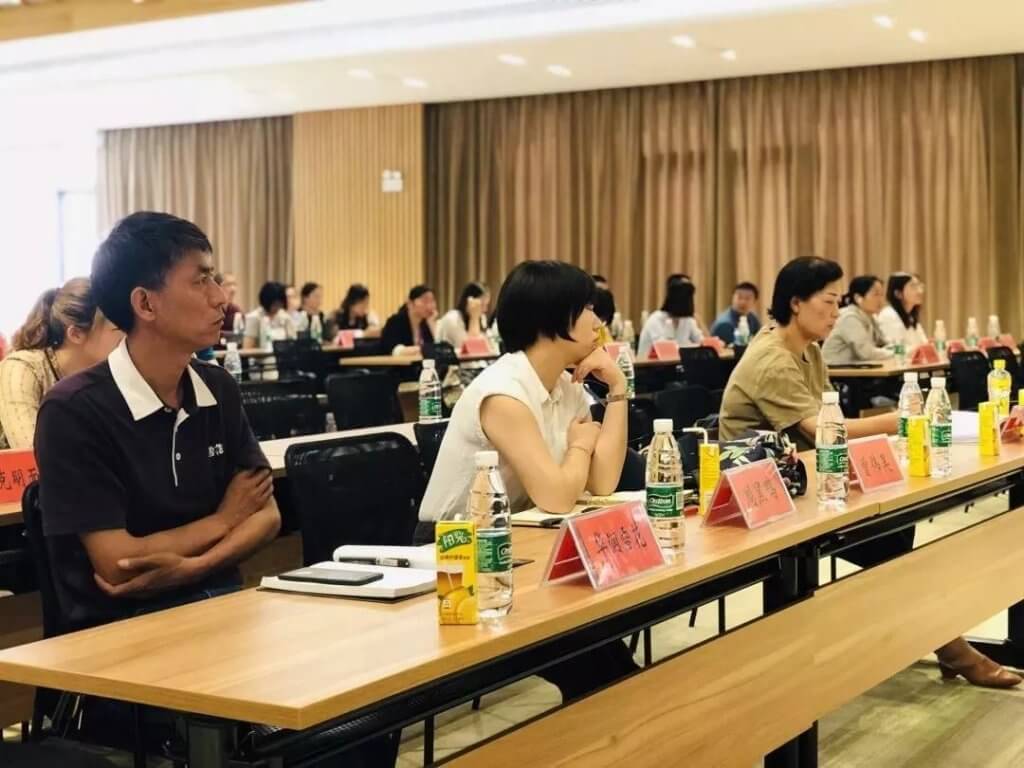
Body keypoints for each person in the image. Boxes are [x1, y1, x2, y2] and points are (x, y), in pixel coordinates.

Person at [719, 255, 1019, 688]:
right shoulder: (773, 359)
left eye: (839, 302)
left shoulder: (809, 351)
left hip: (807, 482)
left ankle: (936, 641)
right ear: (796, 303)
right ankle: (950, 647)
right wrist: (901, 420)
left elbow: (831, 427)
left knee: (895, 532)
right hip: (760, 498)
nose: (836, 313)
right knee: (888, 546)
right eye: (829, 301)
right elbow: (824, 430)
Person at [419, 260, 635, 701]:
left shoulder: (567, 386)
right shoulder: (503, 393)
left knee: (604, 650)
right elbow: (557, 497)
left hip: (521, 541)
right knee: (593, 660)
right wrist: (579, 447)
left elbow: (603, 482)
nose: (599, 321)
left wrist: (617, 388)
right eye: (588, 309)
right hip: (456, 556)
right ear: (554, 320)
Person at [0, 279, 122, 450]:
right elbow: (31, 452)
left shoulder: (107, 376)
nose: (127, 336)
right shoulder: (21, 369)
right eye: (118, 328)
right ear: (76, 334)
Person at [822, 275, 894, 366]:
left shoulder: (870, 317)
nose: (880, 300)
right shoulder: (849, 318)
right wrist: (895, 353)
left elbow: (884, 343)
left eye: (882, 295)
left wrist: (901, 350)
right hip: (836, 370)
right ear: (858, 298)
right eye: (876, 294)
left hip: (856, 368)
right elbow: (866, 353)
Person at [637, 279, 703, 357]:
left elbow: (700, 341)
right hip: (650, 363)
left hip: (677, 362)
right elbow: (664, 350)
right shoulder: (655, 320)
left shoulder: (687, 320)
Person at [380, 285, 438, 355]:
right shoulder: (396, 321)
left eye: (432, 301)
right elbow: (394, 350)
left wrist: (432, 324)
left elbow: (437, 348)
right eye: (425, 301)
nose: (429, 306)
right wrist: (424, 349)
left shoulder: (427, 322)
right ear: (410, 303)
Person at [877, 273, 928, 350]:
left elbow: (924, 344)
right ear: (898, 294)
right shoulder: (888, 315)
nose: (920, 291)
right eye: (913, 287)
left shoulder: (911, 317)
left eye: (920, 286)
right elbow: (896, 349)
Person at [242, 281, 297, 350]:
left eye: (280, 304)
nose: (277, 307)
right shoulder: (254, 318)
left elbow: (293, 343)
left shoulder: (285, 318)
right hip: (260, 356)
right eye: (275, 304)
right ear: (266, 302)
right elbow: (247, 348)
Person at [437, 281, 489, 350]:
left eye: (486, 305)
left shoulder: (481, 318)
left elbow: (488, 347)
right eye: (482, 305)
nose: (485, 310)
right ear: (469, 301)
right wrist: (474, 318)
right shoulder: (453, 319)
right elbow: (471, 349)